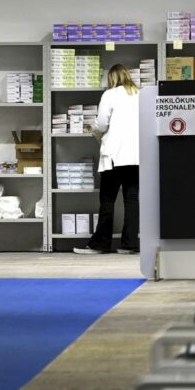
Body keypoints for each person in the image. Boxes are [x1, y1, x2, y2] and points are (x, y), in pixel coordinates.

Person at [74, 63, 140, 255]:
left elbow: (102, 125)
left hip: (114, 155)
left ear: (111, 78)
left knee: (107, 199)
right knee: (132, 200)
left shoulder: (110, 95)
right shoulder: (140, 94)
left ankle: (100, 244)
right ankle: (130, 245)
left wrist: (92, 128)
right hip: (136, 156)